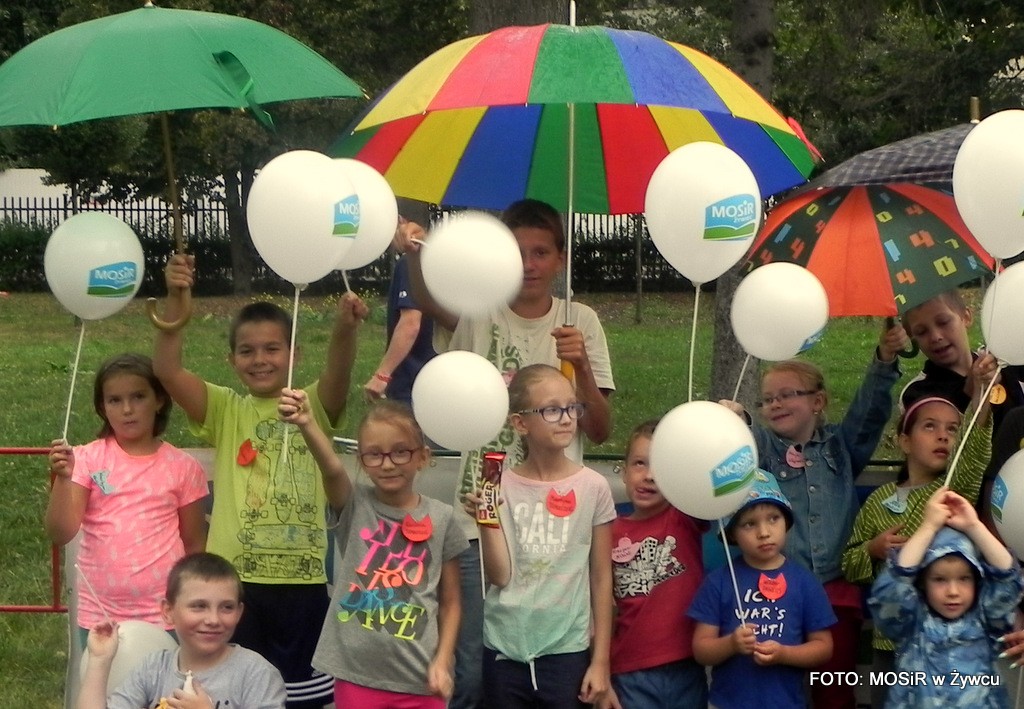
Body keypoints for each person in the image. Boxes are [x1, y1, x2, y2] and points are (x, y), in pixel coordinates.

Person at [400, 199, 615, 708]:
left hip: (553, 525)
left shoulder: (579, 320)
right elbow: (432, 302)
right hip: (481, 516)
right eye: (517, 252)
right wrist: (414, 256)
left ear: (560, 259)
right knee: (474, 670)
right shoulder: (482, 312)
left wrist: (582, 365)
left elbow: (602, 430)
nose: (529, 264)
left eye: (541, 252)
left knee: (547, 659)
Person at [153, 253, 368, 708]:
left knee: (301, 698)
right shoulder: (226, 409)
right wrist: (175, 299)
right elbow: (168, 372)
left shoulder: (310, 404)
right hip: (234, 588)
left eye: (272, 349)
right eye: (247, 351)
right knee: (233, 695)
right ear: (231, 359)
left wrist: (345, 329)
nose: (260, 359)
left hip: (302, 584)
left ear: (294, 355)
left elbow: (339, 372)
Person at [718, 321, 906, 709]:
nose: (775, 404)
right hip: (776, 592)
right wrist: (737, 418)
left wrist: (885, 359)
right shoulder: (765, 450)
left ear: (817, 402)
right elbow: (743, 443)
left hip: (835, 592)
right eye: (767, 399)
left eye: (787, 395)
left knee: (834, 690)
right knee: (772, 683)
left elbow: (868, 414)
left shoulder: (840, 447)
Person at [278, 390, 467, 708]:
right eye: (374, 455)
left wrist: (443, 660)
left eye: (400, 452)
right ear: (362, 462)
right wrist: (307, 422)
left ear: (422, 456)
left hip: (421, 679)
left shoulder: (442, 518)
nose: (388, 464)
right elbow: (331, 469)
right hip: (357, 676)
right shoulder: (354, 504)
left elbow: (451, 603)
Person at [843, 360, 996, 706]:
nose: (944, 435)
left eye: (952, 429)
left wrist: (982, 393)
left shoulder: (952, 493)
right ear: (905, 441)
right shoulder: (879, 501)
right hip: (890, 643)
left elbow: (972, 454)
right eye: (930, 426)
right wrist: (872, 549)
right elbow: (849, 563)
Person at [470, 364, 615, 708]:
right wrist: (486, 521)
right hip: (505, 649)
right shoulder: (499, 485)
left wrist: (601, 662)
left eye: (572, 407)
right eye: (551, 410)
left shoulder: (593, 487)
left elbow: (601, 577)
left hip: (566, 650)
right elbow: (500, 576)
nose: (566, 419)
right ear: (520, 423)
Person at [45, 352, 207, 643]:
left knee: (166, 676)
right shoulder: (87, 459)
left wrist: (194, 602)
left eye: (138, 397)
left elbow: (194, 543)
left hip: (166, 614)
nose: (127, 409)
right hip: (99, 614)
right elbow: (61, 532)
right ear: (102, 407)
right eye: (115, 400)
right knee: (103, 675)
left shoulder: (184, 467)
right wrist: (63, 479)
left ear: (159, 400)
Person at [688, 471, 836, 709]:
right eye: (749, 524)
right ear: (732, 533)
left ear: (786, 521)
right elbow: (701, 650)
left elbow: (823, 648)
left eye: (774, 518)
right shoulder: (718, 582)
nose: (764, 532)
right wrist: (731, 644)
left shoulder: (805, 582)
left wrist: (784, 654)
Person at [868, 488, 1023, 708]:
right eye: (940, 579)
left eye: (964, 578)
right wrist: (928, 527)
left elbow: (1008, 581)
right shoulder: (912, 624)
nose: (953, 591)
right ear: (923, 582)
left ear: (977, 581)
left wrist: (974, 526)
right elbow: (891, 590)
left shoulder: (985, 619)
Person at [77, 551, 287, 709]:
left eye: (227, 607)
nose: (213, 619)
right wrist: (99, 659)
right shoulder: (153, 669)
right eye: (199, 606)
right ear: (168, 611)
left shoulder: (256, 675)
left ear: (239, 612)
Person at [604, 419, 708, 709]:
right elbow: (601, 606)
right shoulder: (608, 531)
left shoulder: (683, 516)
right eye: (639, 463)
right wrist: (603, 671)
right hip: (628, 672)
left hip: (686, 667)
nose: (649, 476)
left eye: (662, 468)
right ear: (624, 471)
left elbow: (711, 479)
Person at [900, 290, 1024, 435]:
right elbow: (954, 445)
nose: (935, 337)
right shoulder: (917, 394)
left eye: (943, 322)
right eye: (922, 332)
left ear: (966, 317)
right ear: (912, 337)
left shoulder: (1003, 362)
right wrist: (971, 393)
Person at [362, 217, 436, 408]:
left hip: (411, 382)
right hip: (437, 379)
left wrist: (382, 375)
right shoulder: (440, 263)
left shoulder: (410, 262)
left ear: (401, 221)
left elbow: (410, 323)